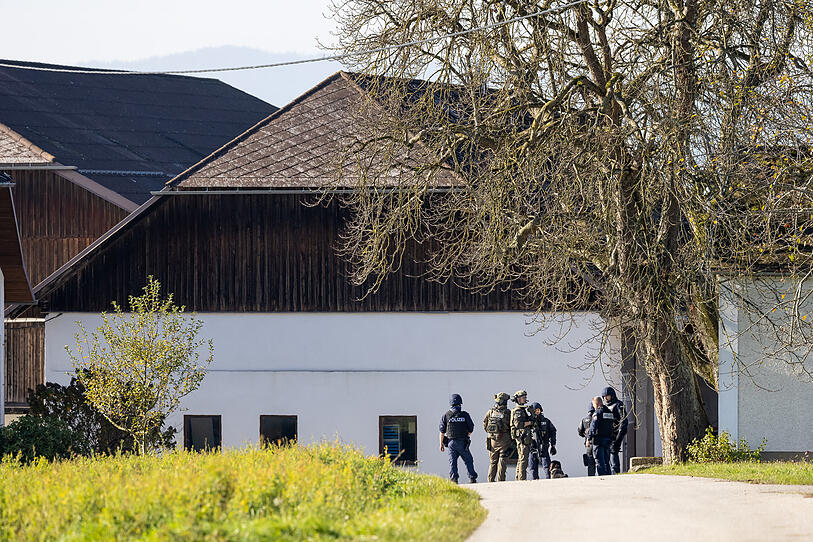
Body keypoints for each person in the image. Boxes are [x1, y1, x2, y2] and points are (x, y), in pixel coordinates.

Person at [439, 393, 477, 483]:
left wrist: (441, 444)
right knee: (468, 460)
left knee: (452, 462)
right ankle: (472, 478)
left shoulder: (446, 415)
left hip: (451, 442)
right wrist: (467, 436)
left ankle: (454, 479)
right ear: (460, 404)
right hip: (463, 442)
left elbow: (442, 432)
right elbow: (471, 428)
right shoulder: (465, 415)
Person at [483, 392, 512, 482]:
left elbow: (485, 424)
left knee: (493, 462)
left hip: (492, 440)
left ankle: (490, 480)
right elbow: (511, 425)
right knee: (502, 461)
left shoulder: (490, 412)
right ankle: (501, 480)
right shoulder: (508, 412)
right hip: (504, 439)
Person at [528, 402, 557, 480]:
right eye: (535, 410)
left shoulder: (546, 421)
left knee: (547, 465)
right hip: (532, 447)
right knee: (532, 466)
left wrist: (553, 445)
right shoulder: (528, 421)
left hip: (543, 446)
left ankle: (548, 480)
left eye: (538, 410)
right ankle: (534, 481)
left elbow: (553, 431)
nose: (537, 412)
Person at [602, 386, 628, 474]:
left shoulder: (618, 404)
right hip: (606, 434)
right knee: (605, 454)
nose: (605, 398)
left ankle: (615, 472)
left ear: (612, 395)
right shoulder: (604, 407)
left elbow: (623, 420)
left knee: (613, 451)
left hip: (616, 433)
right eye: (604, 396)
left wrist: (619, 436)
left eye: (607, 396)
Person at [587, 395, 615, 476]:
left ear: (597, 403)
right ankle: (609, 477)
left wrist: (589, 439)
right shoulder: (609, 412)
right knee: (607, 461)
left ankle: (602, 479)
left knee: (600, 461)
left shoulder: (598, 412)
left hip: (599, 441)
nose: (594, 407)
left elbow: (593, 426)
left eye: (594, 405)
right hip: (608, 439)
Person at [510, 390, 533, 481]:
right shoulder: (518, 411)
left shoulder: (522, 409)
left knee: (521, 458)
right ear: (518, 399)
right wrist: (530, 422)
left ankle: (519, 478)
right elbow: (518, 424)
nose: (525, 399)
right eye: (523, 397)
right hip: (522, 437)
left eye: (525, 397)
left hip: (524, 437)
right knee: (523, 459)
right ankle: (522, 479)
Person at [577, 404, 597, 476]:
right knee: (600, 461)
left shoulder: (584, 420)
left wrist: (585, 436)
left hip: (588, 444)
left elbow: (579, 431)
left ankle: (591, 477)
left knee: (590, 462)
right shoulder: (598, 417)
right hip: (598, 442)